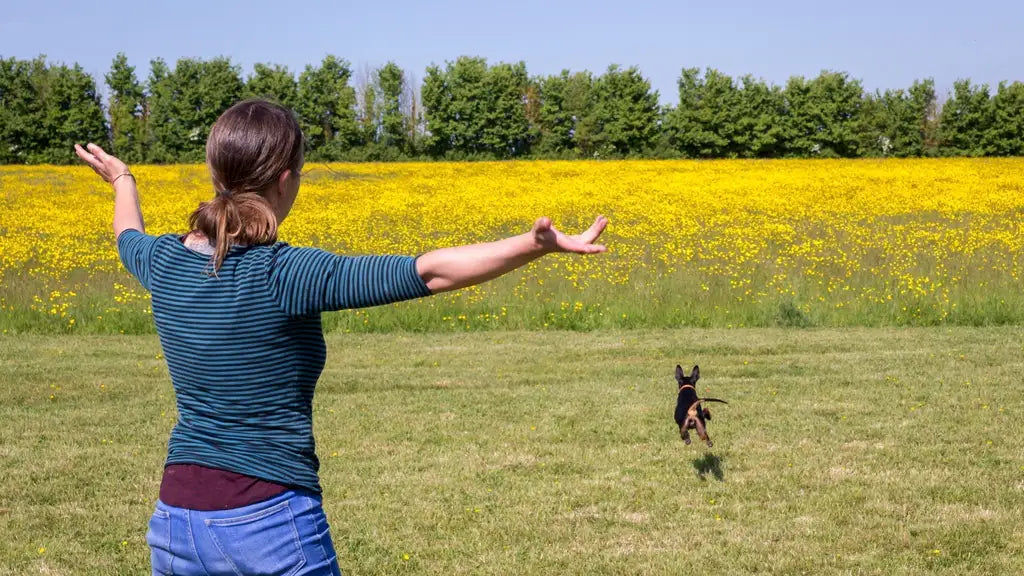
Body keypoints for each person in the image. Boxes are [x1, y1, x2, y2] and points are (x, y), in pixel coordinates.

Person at [74, 98, 608, 575]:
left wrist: (123, 181)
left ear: (216, 175)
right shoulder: (283, 274)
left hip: (175, 523)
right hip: (267, 522)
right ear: (286, 180)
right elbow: (427, 272)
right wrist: (534, 245)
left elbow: (128, 238)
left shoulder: (165, 263)